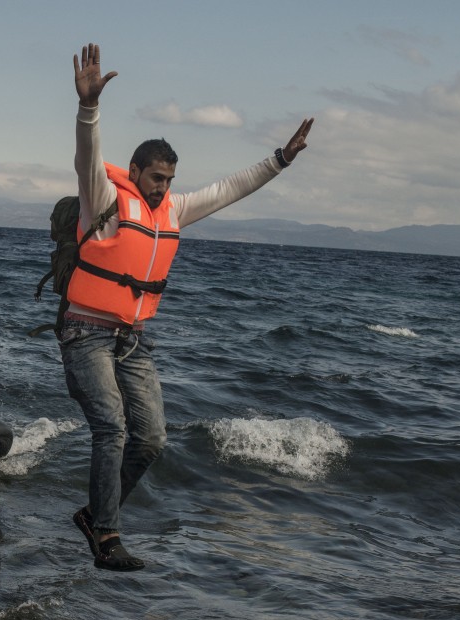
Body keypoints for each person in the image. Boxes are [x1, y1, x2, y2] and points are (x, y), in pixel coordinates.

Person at [63, 43, 314, 571]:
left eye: (170, 180)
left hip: (132, 339)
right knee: (111, 427)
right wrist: (88, 108)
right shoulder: (103, 197)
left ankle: (94, 515)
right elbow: (88, 151)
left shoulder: (173, 208)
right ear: (136, 172)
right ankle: (106, 535)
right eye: (157, 178)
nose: (164, 188)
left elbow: (230, 188)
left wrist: (281, 160)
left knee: (151, 439)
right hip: (85, 332)